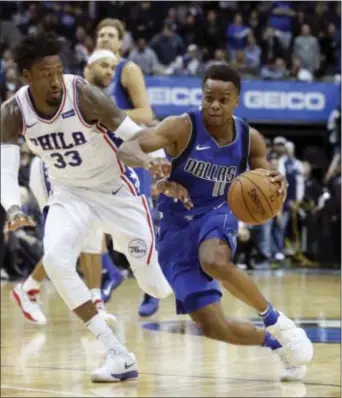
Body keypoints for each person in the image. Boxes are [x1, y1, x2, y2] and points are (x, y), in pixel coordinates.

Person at [117, 64, 313, 381]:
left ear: (237, 100)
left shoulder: (251, 139)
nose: (215, 105)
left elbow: (267, 178)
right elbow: (129, 147)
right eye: (209, 97)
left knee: (214, 260)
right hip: (175, 224)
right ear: (202, 96)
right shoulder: (182, 126)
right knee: (213, 327)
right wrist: (151, 162)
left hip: (217, 213)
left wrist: (279, 184)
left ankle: (277, 321)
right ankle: (276, 344)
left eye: (224, 99)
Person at [0, 33, 172, 382]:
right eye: (45, 73)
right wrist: (13, 208)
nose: (54, 80)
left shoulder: (81, 94)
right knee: (58, 259)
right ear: (26, 76)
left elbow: (132, 131)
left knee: (156, 286)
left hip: (115, 190)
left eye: (58, 70)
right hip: (69, 192)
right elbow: (5, 168)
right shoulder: (13, 112)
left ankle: (164, 271)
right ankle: (117, 354)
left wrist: (156, 160)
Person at [10, 50, 121, 326]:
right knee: (73, 233)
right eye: (103, 66)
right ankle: (29, 288)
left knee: (91, 230)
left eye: (113, 67)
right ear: (89, 67)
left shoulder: (102, 98)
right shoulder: (71, 90)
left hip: (84, 173)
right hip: (55, 170)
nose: (109, 71)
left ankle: (92, 300)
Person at [95, 18, 160, 317]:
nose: (105, 39)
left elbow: (147, 113)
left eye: (111, 35)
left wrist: (110, 114)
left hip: (132, 154)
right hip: (100, 159)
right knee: (90, 220)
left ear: (121, 43)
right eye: (101, 35)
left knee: (138, 224)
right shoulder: (92, 72)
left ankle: (151, 290)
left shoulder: (127, 69)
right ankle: (111, 272)